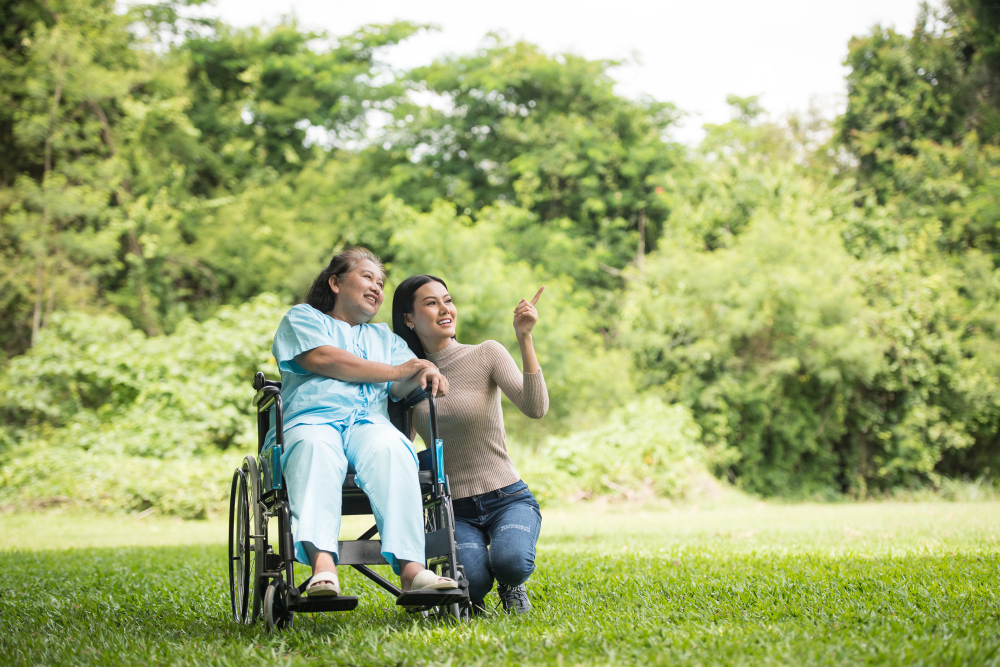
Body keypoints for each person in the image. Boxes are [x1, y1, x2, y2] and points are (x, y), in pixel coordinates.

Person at [268, 247, 457, 597]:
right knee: (314, 449)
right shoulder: (303, 318)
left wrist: (425, 370)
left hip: (368, 425)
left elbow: (406, 379)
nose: (376, 286)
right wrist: (401, 369)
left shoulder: (384, 338)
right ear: (335, 282)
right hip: (312, 421)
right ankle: (323, 566)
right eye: (367, 277)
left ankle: (413, 570)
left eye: (381, 282)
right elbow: (324, 358)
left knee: (393, 448)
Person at [391, 275, 548, 614]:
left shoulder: (486, 353)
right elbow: (400, 447)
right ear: (408, 318)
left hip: (507, 497)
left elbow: (535, 409)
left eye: (447, 300)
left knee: (512, 562)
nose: (445, 309)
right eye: (431, 303)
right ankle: (474, 594)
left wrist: (525, 337)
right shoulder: (407, 379)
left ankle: (512, 584)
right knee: (472, 583)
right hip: (453, 509)